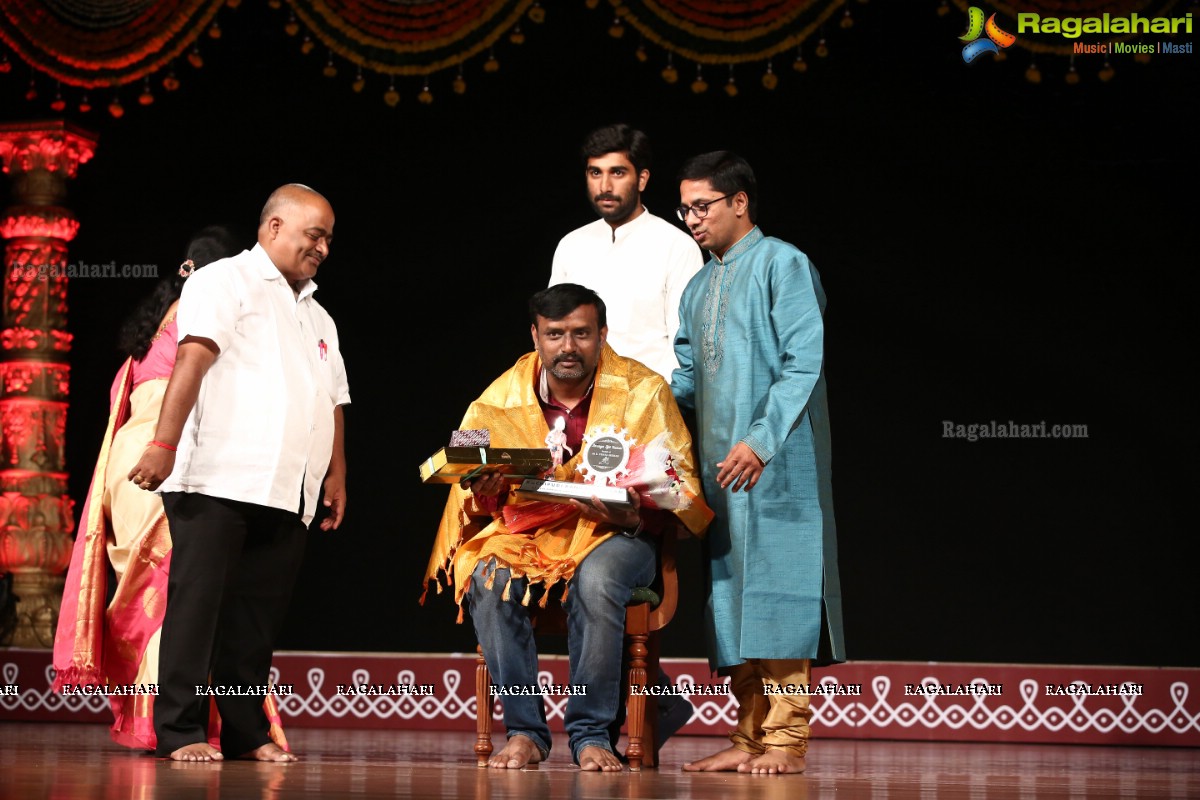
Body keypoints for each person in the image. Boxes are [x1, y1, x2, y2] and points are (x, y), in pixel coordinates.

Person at [422, 283, 712, 772]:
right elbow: (469, 482)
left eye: (581, 334)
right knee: (488, 576)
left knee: (595, 580)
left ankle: (591, 734)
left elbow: (679, 485)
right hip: (531, 536)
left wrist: (634, 513)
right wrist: (488, 485)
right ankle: (525, 733)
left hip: (618, 534)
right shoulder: (498, 396)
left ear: (602, 335)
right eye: (555, 334)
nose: (568, 347)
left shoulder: (645, 391)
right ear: (535, 336)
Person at [127, 184, 350, 763]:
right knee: (198, 609)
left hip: (287, 486)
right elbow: (193, 357)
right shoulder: (223, 280)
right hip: (218, 477)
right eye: (314, 235)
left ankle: (247, 732)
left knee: (256, 621)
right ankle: (179, 730)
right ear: (273, 228)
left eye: (328, 239)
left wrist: (334, 476)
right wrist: (162, 443)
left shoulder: (319, 315)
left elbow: (333, 402)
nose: (323, 248)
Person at [53, 226, 289, 752]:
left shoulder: (155, 328)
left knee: (173, 592)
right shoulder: (203, 314)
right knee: (183, 591)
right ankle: (180, 728)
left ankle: (187, 725)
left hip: (133, 464)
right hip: (162, 460)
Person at [671, 152, 846, 775]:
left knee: (779, 592)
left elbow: (804, 363)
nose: (692, 219)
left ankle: (786, 740)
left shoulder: (783, 264)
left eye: (702, 206)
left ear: (739, 202)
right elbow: (687, 379)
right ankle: (748, 736)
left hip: (776, 465)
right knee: (730, 599)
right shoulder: (698, 284)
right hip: (721, 472)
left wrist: (761, 441)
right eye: (684, 207)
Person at [550, 123, 703, 382]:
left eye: (617, 172)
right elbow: (552, 334)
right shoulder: (571, 245)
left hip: (651, 403)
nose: (605, 186)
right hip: (578, 403)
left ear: (642, 179)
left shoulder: (677, 247)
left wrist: (651, 403)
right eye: (595, 173)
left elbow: (686, 349)